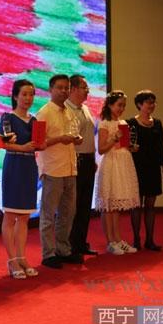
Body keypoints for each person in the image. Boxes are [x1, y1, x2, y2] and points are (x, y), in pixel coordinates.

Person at [36, 74, 84, 269]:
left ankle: (63, 250)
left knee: (67, 213)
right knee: (48, 215)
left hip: (70, 168)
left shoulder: (69, 111)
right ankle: (48, 254)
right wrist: (60, 139)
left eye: (66, 88)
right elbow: (38, 143)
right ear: (51, 89)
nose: (64, 91)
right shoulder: (43, 112)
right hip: (52, 169)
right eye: (60, 87)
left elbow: (72, 135)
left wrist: (76, 139)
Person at [0, 79, 41, 279]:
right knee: (10, 216)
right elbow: (1, 143)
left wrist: (44, 143)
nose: (28, 98)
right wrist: (22, 147)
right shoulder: (8, 118)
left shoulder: (35, 121)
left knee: (24, 217)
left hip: (29, 167)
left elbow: (40, 144)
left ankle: (22, 257)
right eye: (24, 94)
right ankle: (12, 260)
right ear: (15, 96)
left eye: (31, 94)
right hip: (14, 166)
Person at [95, 90, 140, 255]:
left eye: (123, 106)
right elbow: (101, 149)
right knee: (109, 205)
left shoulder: (123, 123)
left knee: (117, 204)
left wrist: (131, 147)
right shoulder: (104, 123)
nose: (121, 109)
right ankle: (110, 241)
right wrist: (114, 138)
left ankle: (118, 239)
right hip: (111, 163)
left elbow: (123, 144)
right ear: (110, 105)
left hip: (122, 162)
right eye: (119, 105)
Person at [127, 90, 163, 251]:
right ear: (139, 104)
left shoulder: (157, 123)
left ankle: (150, 240)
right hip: (135, 168)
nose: (152, 105)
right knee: (136, 205)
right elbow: (124, 146)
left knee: (151, 205)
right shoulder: (130, 123)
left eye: (153, 102)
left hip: (153, 168)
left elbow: (161, 147)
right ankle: (136, 240)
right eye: (148, 102)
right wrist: (131, 148)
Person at [65, 75, 98, 256]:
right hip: (75, 160)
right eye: (85, 87)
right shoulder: (66, 109)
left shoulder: (84, 108)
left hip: (88, 160)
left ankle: (80, 243)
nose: (88, 91)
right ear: (74, 89)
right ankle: (70, 246)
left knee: (85, 205)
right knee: (74, 206)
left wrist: (93, 159)